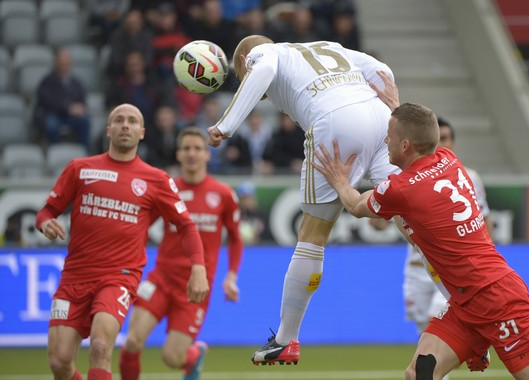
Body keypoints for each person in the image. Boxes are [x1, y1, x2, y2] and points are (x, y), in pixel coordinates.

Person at [312, 102, 529, 379]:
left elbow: (356, 205)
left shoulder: (400, 189)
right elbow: (419, 128)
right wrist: (393, 104)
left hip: (496, 300)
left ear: (406, 144)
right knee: (419, 373)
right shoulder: (448, 158)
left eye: (391, 135)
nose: (386, 140)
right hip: (465, 304)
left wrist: (339, 180)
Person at [206, 34, 401, 365]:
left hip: (334, 120)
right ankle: (460, 302)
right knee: (409, 215)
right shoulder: (328, 47)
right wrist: (392, 110)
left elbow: (263, 67)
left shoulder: (264, 53)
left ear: (243, 62)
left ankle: (285, 339)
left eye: (242, 77)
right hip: (381, 117)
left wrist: (226, 126)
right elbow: (381, 69)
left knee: (313, 234)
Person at [36, 104, 209, 380]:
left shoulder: (156, 179)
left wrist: (198, 268)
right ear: (108, 130)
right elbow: (46, 211)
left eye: (132, 121)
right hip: (74, 278)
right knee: (59, 363)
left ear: (142, 132)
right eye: (119, 120)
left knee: (101, 345)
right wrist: (44, 222)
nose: (125, 125)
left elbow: (186, 225)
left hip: (119, 277)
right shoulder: (80, 169)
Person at [370, 115, 496, 376]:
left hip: (448, 269)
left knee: (437, 323)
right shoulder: (406, 177)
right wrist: (379, 219)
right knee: (424, 333)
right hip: (416, 268)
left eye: (447, 139)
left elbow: (483, 219)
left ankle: (475, 340)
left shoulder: (465, 175)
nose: (443, 144)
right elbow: (383, 221)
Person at [119, 126, 243, 380]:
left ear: (207, 155)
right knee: (132, 341)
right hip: (162, 279)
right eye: (186, 148)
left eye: (197, 148)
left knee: (172, 358)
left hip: (195, 288)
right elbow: (141, 227)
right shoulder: (168, 189)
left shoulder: (223, 195)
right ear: (178, 154)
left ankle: (194, 355)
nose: (192, 153)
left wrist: (231, 277)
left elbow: (235, 238)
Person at [34, 48, 91, 151]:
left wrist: (81, 108)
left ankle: (83, 152)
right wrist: (67, 108)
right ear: (56, 63)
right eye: (62, 63)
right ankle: (57, 152)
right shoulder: (47, 81)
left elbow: (82, 100)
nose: (65, 66)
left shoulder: (75, 82)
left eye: (67, 63)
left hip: (70, 117)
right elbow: (47, 102)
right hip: (52, 115)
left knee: (85, 122)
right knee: (51, 126)